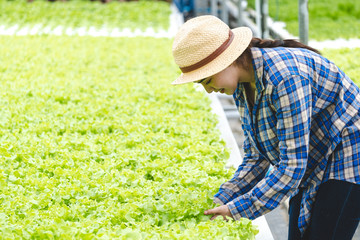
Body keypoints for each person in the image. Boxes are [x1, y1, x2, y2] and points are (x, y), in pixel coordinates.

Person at [171, 15, 360, 240]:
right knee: (300, 232)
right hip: (316, 153)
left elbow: (292, 167)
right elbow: (256, 157)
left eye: (208, 81)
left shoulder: (286, 77)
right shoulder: (243, 84)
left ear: (226, 61)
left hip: (348, 150)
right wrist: (222, 199)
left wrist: (236, 210)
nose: (209, 91)